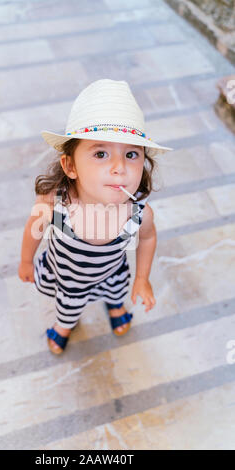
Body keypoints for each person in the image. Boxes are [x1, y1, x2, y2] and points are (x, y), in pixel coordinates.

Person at [18, 79, 173, 355]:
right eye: (101, 153)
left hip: (110, 273)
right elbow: (34, 228)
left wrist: (142, 278)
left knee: (116, 291)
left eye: (131, 154)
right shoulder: (55, 203)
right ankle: (65, 325)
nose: (119, 168)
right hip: (68, 279)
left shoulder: (136, 212)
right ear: (70, 165)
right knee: (68, 308)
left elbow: (148, 238)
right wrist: (26, 260)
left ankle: (115, 305)